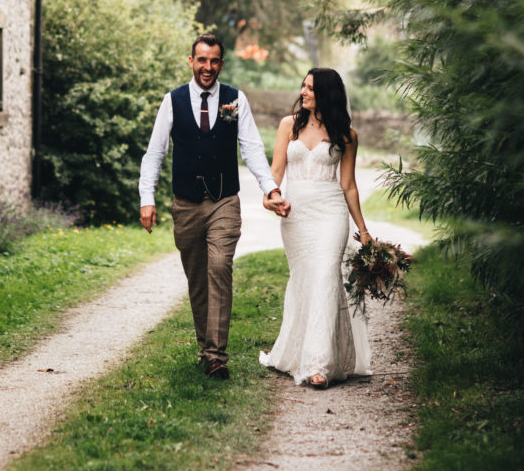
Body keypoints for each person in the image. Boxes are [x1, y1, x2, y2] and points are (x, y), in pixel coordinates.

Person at [139, 32, 290, 379]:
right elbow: (155, 154)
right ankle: (206, 347)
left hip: (224, 200)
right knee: (197, 279)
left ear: (222, 63)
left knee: (219, 268)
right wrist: (147, 199)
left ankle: (216, 356)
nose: (208, 67)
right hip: (186, 204)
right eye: (201, 60)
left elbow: (251, 148)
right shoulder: (172, 100)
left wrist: (271, 188)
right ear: (191, 62)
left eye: (214, 60)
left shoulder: (235, 100)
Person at [259, 67, 372, 388]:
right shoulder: (288, 126)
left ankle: (319, 365)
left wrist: (362, 230)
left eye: (311, 88)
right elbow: (275, 172)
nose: (304, 92)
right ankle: (298, 353)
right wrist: (271, 198)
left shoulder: (346, 135)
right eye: (303, 86)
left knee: (325, 276)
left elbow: (349, 185)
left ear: (327, 94)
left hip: (331, 213)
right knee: (305, 281)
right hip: (296, 217)